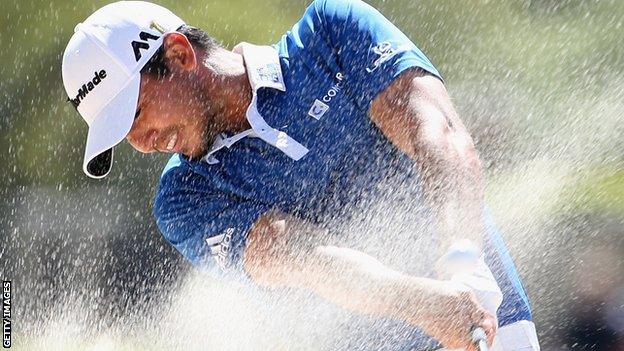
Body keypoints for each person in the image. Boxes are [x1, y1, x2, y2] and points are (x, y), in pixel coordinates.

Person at [61, 1, 541, 350]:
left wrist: (462, 262)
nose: (140, 143)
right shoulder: (185, 196)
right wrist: (426, 302)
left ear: (180, 54)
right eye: (122, 135)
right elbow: (302, 257)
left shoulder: (330, 33)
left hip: (491, 319)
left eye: (137, 113)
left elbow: (436, 133)